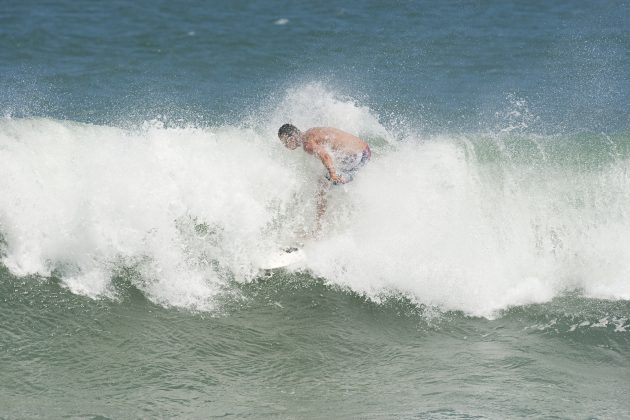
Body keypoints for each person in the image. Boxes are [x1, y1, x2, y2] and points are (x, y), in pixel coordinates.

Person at [278, 124, 371, 233]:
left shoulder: (307, 144)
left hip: (358, 156)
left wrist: (333, 173)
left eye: (285, 142)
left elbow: (325, 155)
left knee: (329, 182)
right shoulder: (311, 131)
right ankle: (319, 226)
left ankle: (318, 228)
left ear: (292, 138)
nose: (285, 146)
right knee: (322, 182)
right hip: (365, 150)